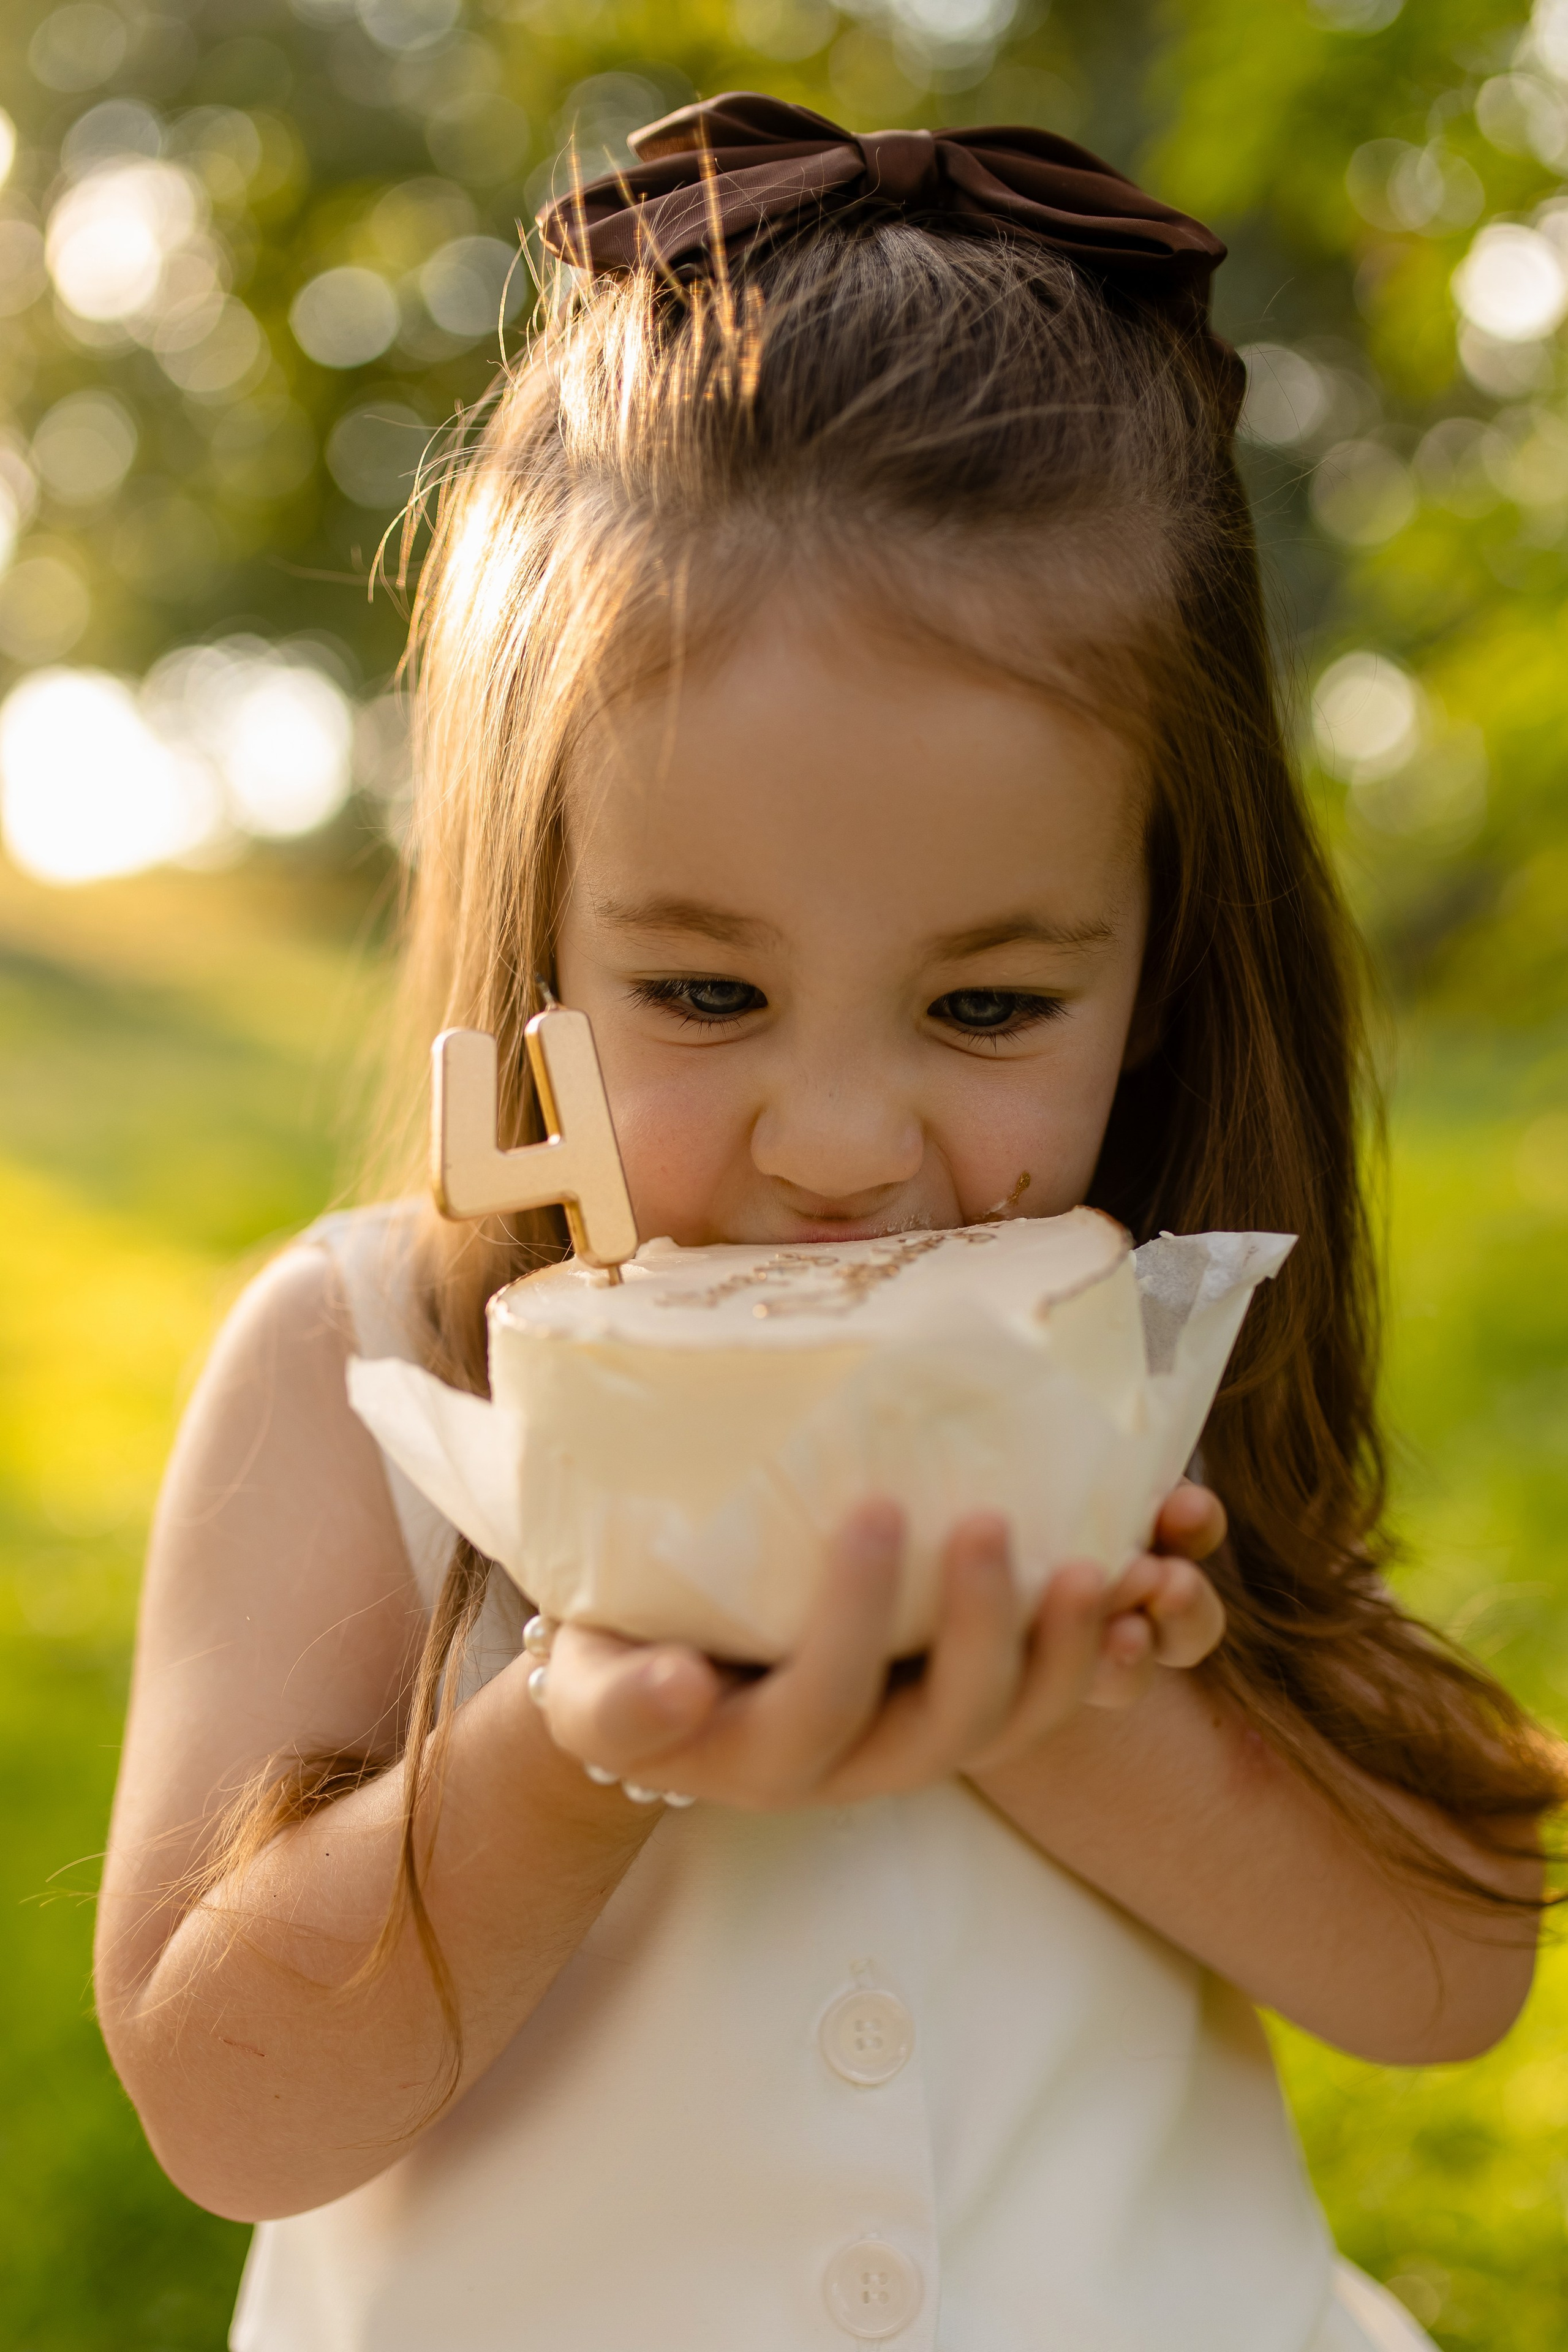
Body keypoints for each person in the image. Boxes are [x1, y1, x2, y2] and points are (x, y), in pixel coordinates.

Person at [95, 94, 1561, 2352]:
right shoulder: (366, 1365)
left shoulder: (1143, 1339)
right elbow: (225, 2104)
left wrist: (1057, 1699)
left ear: (1159, 968)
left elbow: (1455, 1966)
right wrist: (586, 1729)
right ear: (540, 935)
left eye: (987, 1002)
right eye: (706, 992)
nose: (848, 1142)